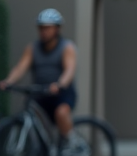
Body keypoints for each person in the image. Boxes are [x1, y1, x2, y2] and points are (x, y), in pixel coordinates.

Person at [0, 9, 79, 148]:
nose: (43, 31)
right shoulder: (32, 48)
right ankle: (45, 150)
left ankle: (72, 143)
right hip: (40, 92)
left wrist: (59, 84)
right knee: (32, 115)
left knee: (61, 113)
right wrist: (8, 81)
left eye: (47, 28)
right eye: (41, 28)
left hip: (61, 92)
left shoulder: (66, 47)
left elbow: (69, 70)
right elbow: (20, 68)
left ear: (57, 29)